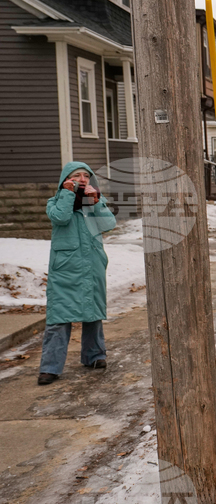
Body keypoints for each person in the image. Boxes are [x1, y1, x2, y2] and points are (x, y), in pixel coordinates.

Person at [38, 162, 117, 385]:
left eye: (86, 176)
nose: (83, 179)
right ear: (65, 179)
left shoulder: (93, 203)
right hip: (65, 268)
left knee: (93, 312)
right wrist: (67, 193)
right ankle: (50, 367)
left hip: (92, 264)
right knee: (59, 316)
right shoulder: (54, 202)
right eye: (76, 175)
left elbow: (109, 223)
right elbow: (60, 218)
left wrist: (98, 200)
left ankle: (95, 356)